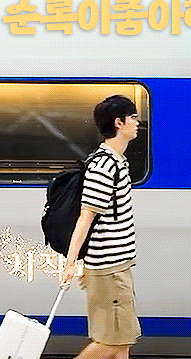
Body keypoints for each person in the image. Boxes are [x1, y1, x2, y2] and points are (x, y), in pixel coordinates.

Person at [59, 95, 141, 359]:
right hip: (108, 270)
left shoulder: (117, 161)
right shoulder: (104, 166)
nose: (137, 123)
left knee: (122, 343)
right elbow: (86, 217)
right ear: (119, 123)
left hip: (118, 266)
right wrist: (70, 263)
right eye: (133, 117)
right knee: (110, 343)